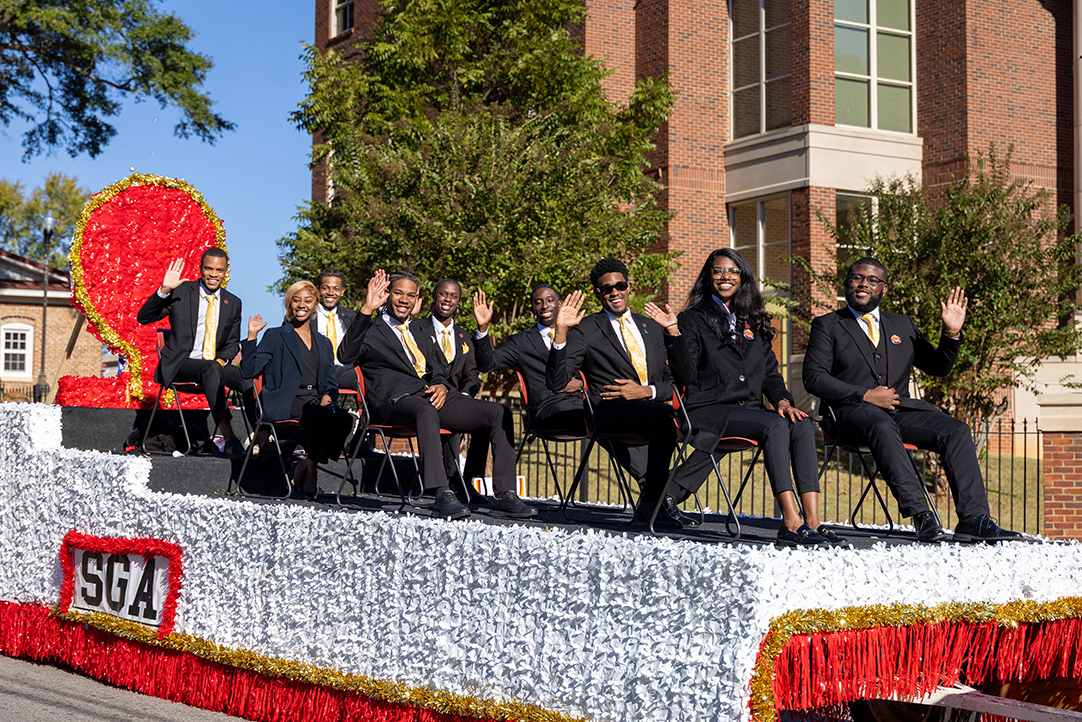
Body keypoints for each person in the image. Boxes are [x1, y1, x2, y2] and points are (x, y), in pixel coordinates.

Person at [802, 257, 1023, 543]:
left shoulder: (902, 324)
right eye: (856, 278)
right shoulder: (828, 325)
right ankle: (922, 515)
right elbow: (814, 378)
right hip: (848, 414)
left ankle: (974, 519)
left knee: (955, 430)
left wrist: (951, 333)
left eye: (872, 280)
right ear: (847, 282)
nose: (863, 284)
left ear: (884, 288)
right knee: (880, 424)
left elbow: (937, 367)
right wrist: (865, 394)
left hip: (899, 411)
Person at [645, 249, 843, 547]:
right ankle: (790, 521)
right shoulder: (692, 319)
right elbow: (684, 375)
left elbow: (771, 375)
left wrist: (783, 401)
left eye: (733, 271)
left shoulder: (753, 321)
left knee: (800, 422)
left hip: (747, 411)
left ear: (743, 278)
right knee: (773, 426)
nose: (725, 276)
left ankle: (812, 521)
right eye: (718, 271)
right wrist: (674, 332)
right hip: (708, 410)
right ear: (708, 277)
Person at [337, 269, 537, 520]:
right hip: (393, 401)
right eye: (398, 293)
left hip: (429, 396)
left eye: (411, 295)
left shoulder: (419, 331)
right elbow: (345, 356)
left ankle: (504, 494)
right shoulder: (372, 328)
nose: (404, 299)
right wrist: (367, 309)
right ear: (387, 295)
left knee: (498, 413)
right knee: (426, 410)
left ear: (417, 299)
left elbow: (436, 371)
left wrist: (442, 385)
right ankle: (442, 493)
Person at [547, 258, 696, 527]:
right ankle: (653, 504)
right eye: (607, 289)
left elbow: (677, 380)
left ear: (629, 287)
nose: (614, 292)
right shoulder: (586, 329)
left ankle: (661, 497)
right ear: (598, 293)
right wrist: (561, 331)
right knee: (663, 418)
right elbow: (557, 382)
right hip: (608, 410)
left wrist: (646, 391)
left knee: (705, 423)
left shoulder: (650, 327)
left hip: (650, 406)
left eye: (620, 285)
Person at [136, 248, 256, 457]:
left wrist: (221, 360)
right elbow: (144, 317)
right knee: (211, 369)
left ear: (226, 272)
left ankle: (261, 435)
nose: (213, 274)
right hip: (182, 364)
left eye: (219, 270)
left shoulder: (233, 302)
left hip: (215, 364)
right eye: (209, 268)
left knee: (246, 378)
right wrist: (164, 290)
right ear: (201, 269)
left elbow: (231, 344)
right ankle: (230, 440)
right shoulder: (181, 292)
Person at [239, 280, 353, 499]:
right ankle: (310, 473)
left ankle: (306, 465)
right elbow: (248, 371)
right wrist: (252, 336)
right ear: (290, 306)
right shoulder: (275, 335)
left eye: (308, 301)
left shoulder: (324, 342)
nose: (302, 305)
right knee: (321, 417)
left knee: (344, 419)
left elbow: (330, 381)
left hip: (315, 401)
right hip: (284, 401)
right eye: (296, 301)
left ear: (315, 305)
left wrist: (328, 396)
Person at [419, 278, 507, 485]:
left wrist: (466, 395)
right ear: (434, 297)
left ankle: (468, 480)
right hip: (426, 398)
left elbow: (472, 375)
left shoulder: (464, 337)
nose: (447, 299)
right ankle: (451, 479)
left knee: (486, 417)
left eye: (453, 296)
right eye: (443, 294)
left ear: (459, 302)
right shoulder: (417, 329)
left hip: (456, 400)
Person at [474, 284, 585, 433]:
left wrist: (582, 383)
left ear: (559, 304)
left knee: (615, 415)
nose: (545, 306)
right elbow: (486, 365)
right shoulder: (521, 342)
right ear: (533, 308)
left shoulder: (576, 338)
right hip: (547, 409)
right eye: (538, 302)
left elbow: (596, 371)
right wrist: (482, 328)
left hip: (582, 404)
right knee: (600, 419)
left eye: (550, 300)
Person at [314, 269, 359, 392]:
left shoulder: (350, 316)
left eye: (336, 289)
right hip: (316, 370)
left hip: (345, 369)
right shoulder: (306, 315)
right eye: (325, 288)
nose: (331, 293)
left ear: (342, 291)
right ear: (317, 289)